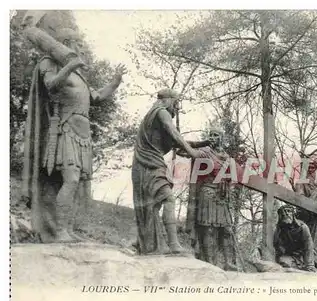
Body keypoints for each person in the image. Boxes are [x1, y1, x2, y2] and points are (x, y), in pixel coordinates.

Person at [22, 27, 126, 243]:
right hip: (64, 129)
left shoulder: (79, 74)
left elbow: (96, 98)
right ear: (67, 42)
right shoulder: (48, 62)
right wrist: (69, 65)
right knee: (70, 180)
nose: (81, 47)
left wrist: (115, 82)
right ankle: (59, 232)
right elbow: (51, 86)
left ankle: (67, 229)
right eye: (78, 43)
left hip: (83, 134)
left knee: (76, 183)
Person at [131, 88, 209, 255]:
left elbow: (177, 141)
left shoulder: (154, 116)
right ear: (168, 100)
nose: (177, 108)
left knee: (153, 203)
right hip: (149, 163)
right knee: (168, 198)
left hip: (146, 163)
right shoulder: (161, 112)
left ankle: (143, 240)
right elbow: (174, 134)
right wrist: (193, 153)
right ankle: (173, 244)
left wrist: (203, 143)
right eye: (176, 103)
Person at [180, 126, 238, 271]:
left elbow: (233, 178)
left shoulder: (227, 157)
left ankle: (228, 262)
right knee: (209, 229)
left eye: (216, 135)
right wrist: (202, 143)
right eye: (210, 135)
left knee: (227, 230)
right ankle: (211, 262)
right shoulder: (205, 153)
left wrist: (228, 187)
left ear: (221, 138)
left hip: (222, 196)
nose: (213, 137)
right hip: (207, 193)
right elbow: (182, 150)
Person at [295, 160, 317, 272]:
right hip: (307, 219)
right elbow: (300, 199)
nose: (310, 170)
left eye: (313, 168)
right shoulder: (301, 182)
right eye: (308, 168)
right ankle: (312, 266)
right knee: (308, 244)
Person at [273, 204, 317, 273]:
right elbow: (276, 245)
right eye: (282, 212)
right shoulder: (279, 229)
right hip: (291, 256)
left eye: (288, 211)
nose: (285, 214)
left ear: (293, 214)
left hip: (306, 254)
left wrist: (310, 265)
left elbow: (308, 246)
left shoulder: (302, 227)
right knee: (283, 261)